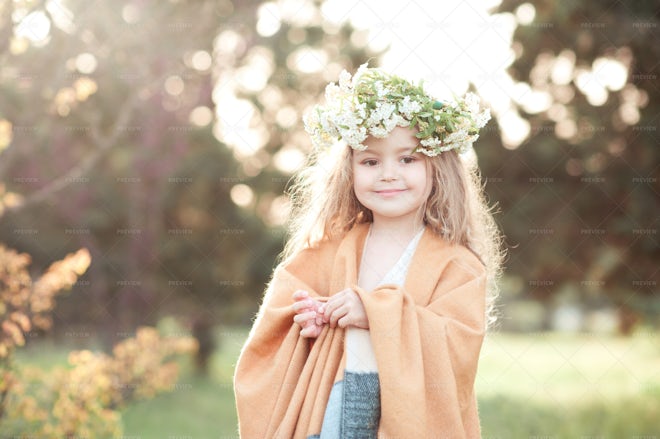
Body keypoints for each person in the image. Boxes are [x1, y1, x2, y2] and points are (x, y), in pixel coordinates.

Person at [234, 64, 505, 439]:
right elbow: (283, 308)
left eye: (408, 159)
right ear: (349, 170)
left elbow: (458, 344)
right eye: (370, 161)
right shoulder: (330, 248)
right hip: (330, 404)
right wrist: (310, 318)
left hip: (410, 416)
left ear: (438, 168)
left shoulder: (457, 265)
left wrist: (374, 312)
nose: (388, 174)